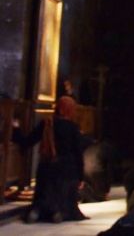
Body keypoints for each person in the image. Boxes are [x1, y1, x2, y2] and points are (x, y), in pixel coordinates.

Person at [12, 95, 87, 223]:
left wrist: (16, 128)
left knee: (44, 191)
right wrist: (81, 177)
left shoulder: (47, 123)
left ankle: (36, 211)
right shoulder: (73, 128)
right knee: (64, 192)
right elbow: (78, 154)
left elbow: (27, 141)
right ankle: (58, 212)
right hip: (67, 169)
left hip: (47, 166)